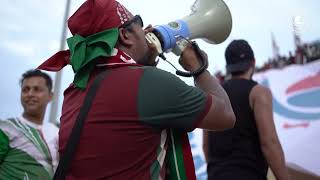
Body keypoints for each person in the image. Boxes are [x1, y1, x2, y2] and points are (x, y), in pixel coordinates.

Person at [38, 0, 235, 179]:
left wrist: (144, 64)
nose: (147, 29)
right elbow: (225, 115)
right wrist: (197, 67)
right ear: (125, 35)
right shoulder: (149, 82)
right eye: (139, 23)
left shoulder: (74, 90)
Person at [203, 39, 289, 180]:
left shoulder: (213, 95)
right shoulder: (258, 92)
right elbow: (269, 143)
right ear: (253, 63)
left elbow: (206, 146)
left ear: (228, 66)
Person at [0, 69, 58, 180]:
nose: (30, 94)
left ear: (50, 96)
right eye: (25, 90)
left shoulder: (57, 133)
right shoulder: (6, 128)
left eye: (37, 89)